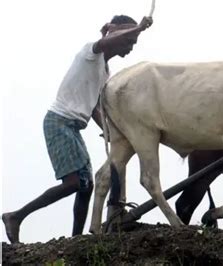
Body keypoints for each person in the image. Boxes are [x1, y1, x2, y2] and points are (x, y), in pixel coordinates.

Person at [2, 14, 153, 244]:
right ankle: (16, 216)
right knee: (73, 183)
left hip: (72, 127)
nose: (131, 45)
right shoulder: (90, 53)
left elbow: (94, 108)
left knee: (87, 186)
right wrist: (139, 28)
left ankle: (76, 240)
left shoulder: (104, 71)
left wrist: (111, 132)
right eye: (129, 40)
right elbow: (105, 42)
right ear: (115, 34)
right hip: (59, 121)